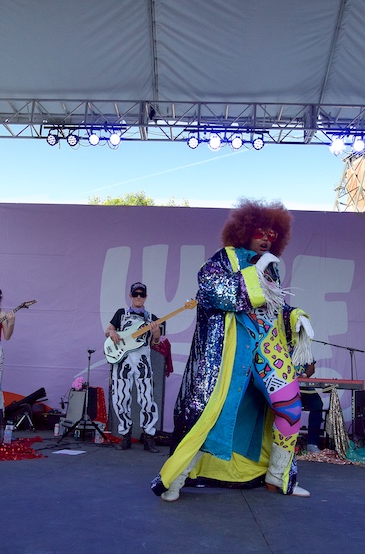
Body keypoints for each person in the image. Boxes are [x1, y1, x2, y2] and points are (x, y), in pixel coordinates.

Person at [151, 198, 314, 501]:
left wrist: (296, 317)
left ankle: (278, 479)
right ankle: (177, 477)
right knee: (211, 414)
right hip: (230, 352)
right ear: (245, 230)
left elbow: (273, 308)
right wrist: (252, 275)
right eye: (260, 231)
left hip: (267, 350)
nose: (266, 238)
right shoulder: (224, 258)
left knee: (290, 408)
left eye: (272, 234)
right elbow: (211, 290)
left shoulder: (272, 270)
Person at [105, 282, 162, 453]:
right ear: (130, 296)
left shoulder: (152, 317)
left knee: (147, 397)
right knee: (120, 397)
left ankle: (148, 436)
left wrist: (156, 333)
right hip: (122, 359)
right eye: (135, 294)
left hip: (143, 360)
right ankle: (125, 435)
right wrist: (112, 332)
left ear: (145, 297)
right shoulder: (121, 314)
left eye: (141, 295)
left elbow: (155, 343)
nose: (138, 297)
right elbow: (108, 331)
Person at [298, 362, 323, 454]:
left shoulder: (304, 349)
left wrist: (304, 375)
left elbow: (311, 367)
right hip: (286, 385)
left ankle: (312, 443)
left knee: (317, 404)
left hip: (304, 386)